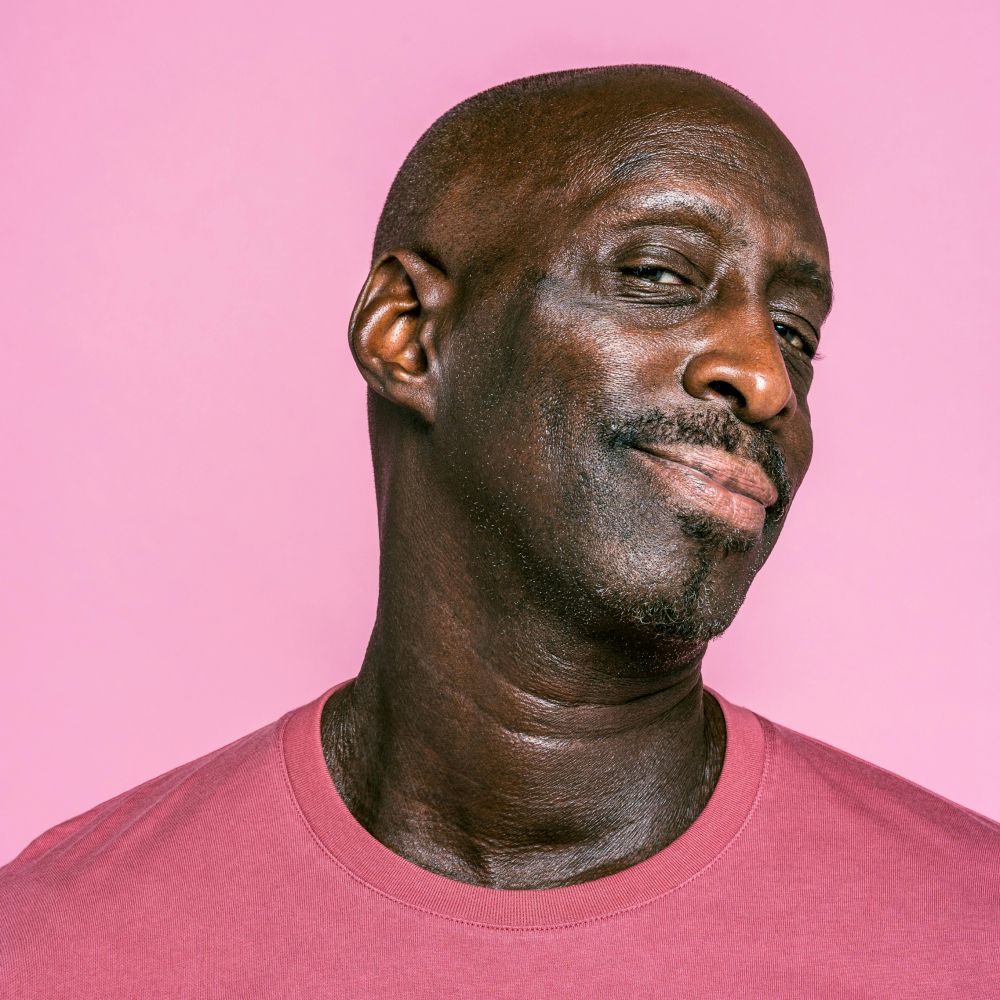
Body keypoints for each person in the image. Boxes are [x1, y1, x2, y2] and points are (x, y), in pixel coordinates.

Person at [2, 65, 997, 998]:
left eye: (794, 332)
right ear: (410, 335)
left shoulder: (967, 933)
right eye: (657, 274)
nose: (767, 380)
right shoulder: (65, 947)